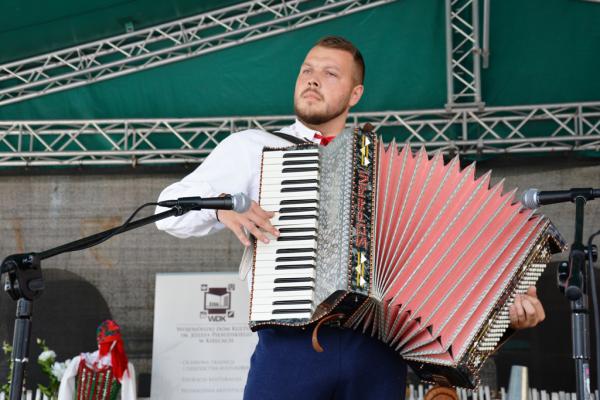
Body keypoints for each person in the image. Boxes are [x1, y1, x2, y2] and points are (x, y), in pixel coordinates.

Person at [155, 36, 546, 400]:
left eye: (329, 73)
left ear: (355, 93)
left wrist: (505, 304)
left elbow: (440, 258)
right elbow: (165, 212)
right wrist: (221, 208)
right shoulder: (253, 147)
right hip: (291, 346)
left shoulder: (387, 170)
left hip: (377, 350)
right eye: (307, 70)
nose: (312, 80)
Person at [58, 320, 136, 400]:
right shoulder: (122, 365)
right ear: (116, 342)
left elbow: (65, 390)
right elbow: (129, 396)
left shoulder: (79, 361)